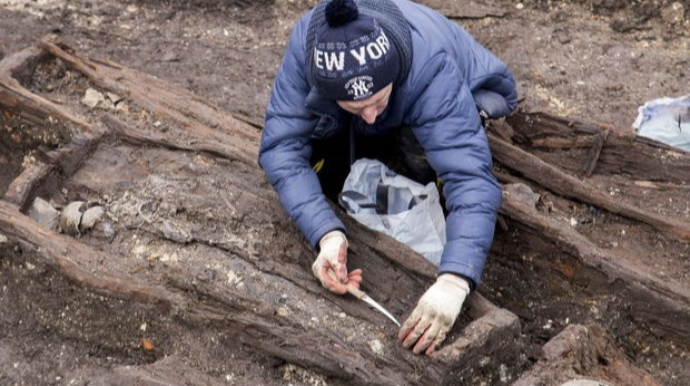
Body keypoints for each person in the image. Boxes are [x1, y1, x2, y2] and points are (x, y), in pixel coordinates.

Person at [258, 0, 517, 356]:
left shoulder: (430, 70)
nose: (366, 114)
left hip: (479, 89)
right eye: (354, 106)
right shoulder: (310, 47)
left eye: (376, 100)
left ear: (393, 76)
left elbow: (471, 179)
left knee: (419, 154)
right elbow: (280, 148)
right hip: (385, 97)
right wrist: (325, 232)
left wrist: (456, 279)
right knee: (324, 149)